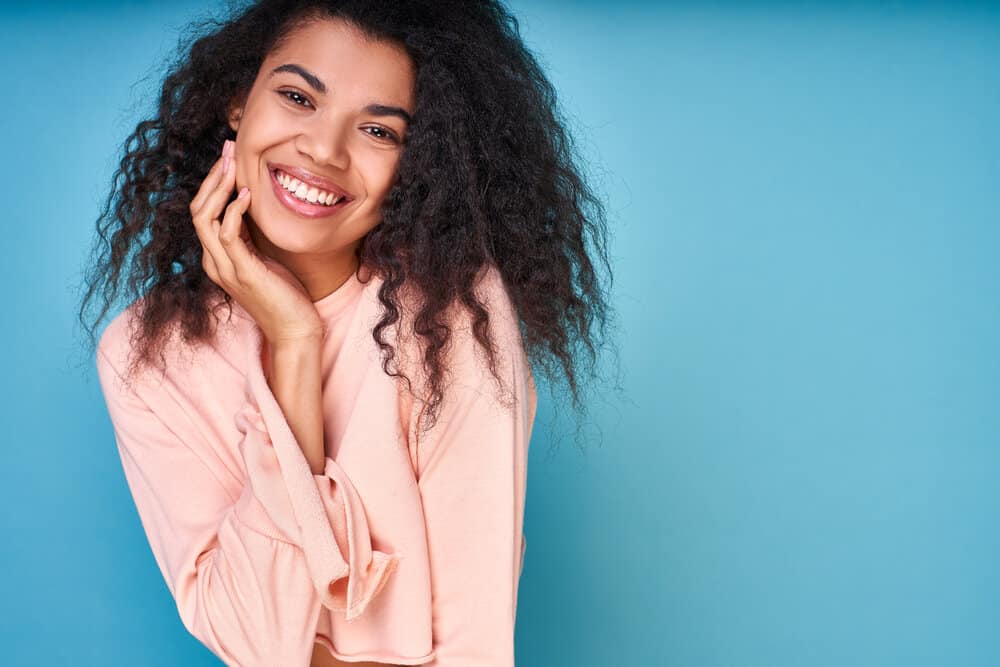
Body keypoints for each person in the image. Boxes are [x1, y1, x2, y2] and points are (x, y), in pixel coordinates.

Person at [78, 1, 614, 665]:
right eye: (298, 96)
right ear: (238, 104)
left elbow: (475, 639)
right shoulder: (144, 356)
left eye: (379, 132)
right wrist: (295, 349)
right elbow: (258, 642)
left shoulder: (448, 316)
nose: (324, 150)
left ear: (417, 165)